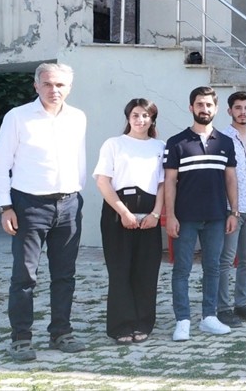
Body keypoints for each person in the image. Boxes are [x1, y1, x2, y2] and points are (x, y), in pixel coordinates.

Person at [0, 63, 88, 361]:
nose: (54, 90)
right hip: (29, 205)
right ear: (36, 85)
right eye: (47, 84)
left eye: (60, 85)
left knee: (65, 274)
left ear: (69, 87)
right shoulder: (18, 117)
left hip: (69, 204)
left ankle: (61, 332)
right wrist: (5, 206)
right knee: (24, 276)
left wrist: (76, 193)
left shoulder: (77, 117)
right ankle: (21, 338)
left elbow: (79, 159)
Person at [164, 85, 238, 341]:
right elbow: (170, 182)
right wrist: (170, 216)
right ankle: (182, 320)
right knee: (182, 269)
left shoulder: (226, 142)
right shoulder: (177, 143)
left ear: (216, 109)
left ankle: (209, 317)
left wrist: (234, 212)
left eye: (208, 105)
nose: (204, 109)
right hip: (185, 218)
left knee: (213, 268)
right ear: (191, 107)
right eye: (199, 104)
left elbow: (231, 179)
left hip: (217, 216)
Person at [93, 98, 164, 344]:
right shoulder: (114, 144)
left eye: (146, 115)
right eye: (135, 115)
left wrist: (156, 214)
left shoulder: (160, 146)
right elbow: (103, 181)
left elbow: (163, 184)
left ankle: (143, 322)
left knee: (146, 271)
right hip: (118, 211)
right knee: (120, 270)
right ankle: (120, 325)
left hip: (150, 213)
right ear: (128, 117)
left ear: (152, 119)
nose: (140, 119)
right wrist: (124, 212)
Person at [216, 91, 246, 327]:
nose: (242, 112)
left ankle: (241, 304)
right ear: (229, 111)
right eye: (238, 108)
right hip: (229, 209)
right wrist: (231, 210)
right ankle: (222, 308)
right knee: (225, 260)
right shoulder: (222, 138)